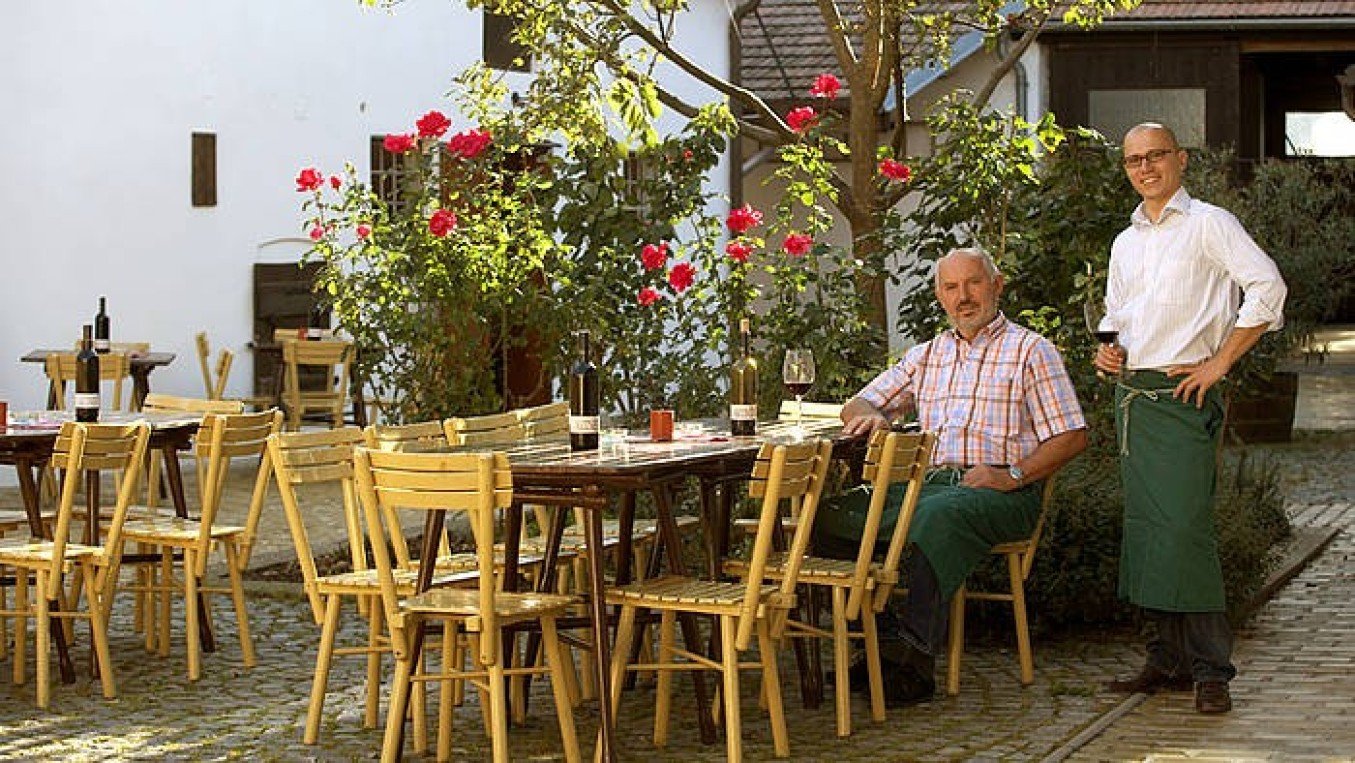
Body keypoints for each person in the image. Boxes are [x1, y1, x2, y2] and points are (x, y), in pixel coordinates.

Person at [815, 247, 1087, 705]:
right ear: (940, 295)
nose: (963, 296)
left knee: (938, 517)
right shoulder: (928, 355)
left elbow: (1073, 436)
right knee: (829, 517)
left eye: (973, 283)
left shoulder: (1031, 352)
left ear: (997, 285)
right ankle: (880, 648)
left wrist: (1014, 474)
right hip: (930, 487)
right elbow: (857, 404)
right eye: (951, 287)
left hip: (1003, 490)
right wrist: (873, 418)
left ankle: (915, 661)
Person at [1095, 122, 1287, 715]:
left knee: (1184, 531)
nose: (1145, 167)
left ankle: (1212, 670)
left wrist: (1221, 362)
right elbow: (1115, 314)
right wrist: (1107, 351)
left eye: (1156, 156)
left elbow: (1268, 288)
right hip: (1134, 397)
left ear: (1180, 159)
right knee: (1149, 533)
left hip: (1183, 396)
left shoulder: (1210, 223)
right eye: (1133, 160)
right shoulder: (1126, 241)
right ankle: (1167, 658)